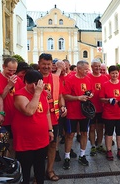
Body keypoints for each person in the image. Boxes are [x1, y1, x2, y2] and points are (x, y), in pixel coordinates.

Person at [12, 70, 53, 184]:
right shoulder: (19, 95)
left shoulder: (43, 94)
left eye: (37, 84)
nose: (34, 87)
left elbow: (47, 113)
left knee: (40, 169)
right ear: (26, 82)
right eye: (32, 84)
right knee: (25, 170)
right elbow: (29, 111)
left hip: (41, 139)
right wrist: (37, 94)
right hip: (25, 141)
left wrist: (50, 129)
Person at [38, 53, 66, 181]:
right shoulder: (34, 77)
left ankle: (49, 170)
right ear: (39, 63)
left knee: (53, 145)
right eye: (44, 64)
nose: (46, 67)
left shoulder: (56, 78)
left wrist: (63, 107)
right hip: (38, 118)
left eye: (48, 64)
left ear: (52, 65)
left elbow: (60, 96)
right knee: (39, 148)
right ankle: (38, 175)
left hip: (54, 118)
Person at [63, 60, 94, 169]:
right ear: (79, 69)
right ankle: (67, 156)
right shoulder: (70, 79)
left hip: (84, 112)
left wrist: (90, 95)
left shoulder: (88, 79)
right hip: (72, 112)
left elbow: (90, 91)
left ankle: (82, 155)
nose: (88, 71)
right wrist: (78, 98)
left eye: (88, 69)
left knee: (84, 133)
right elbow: (65, 95)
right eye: (86, 69)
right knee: (70, 134)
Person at [0, 57, 24, 158]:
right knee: (1, 144)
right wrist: (8, 86)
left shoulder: (18, 80)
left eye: (14, 71)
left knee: (12, 143)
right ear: (3, 67)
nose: (12, 73)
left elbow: (22, 95)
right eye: (9, 70)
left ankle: (10, 163)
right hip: (3, 117)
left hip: (15, 117)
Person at [100, 65, 120, 160]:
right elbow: (101, 98)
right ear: (109, 74)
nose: (115, 75)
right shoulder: (105, 85)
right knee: (109, 133)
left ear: (118, 73)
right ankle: (109, 150)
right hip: (109, 114)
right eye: (112, 73)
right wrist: (108, 100)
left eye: (116, 73)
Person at [87, 59, 108, 156]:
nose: (98, 68)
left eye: (99, 66)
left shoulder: (105, 77)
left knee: (100, 128)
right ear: (91, 67)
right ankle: (92, 146)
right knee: (92, 128)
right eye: (96, 66)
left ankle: (99, 144)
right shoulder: (88, 77)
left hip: (102, 107)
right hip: (91, 108)